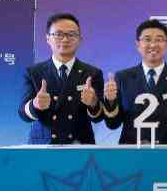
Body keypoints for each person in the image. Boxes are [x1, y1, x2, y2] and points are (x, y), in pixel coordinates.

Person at [103, 19, 167, 144]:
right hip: (131, 150)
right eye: (147, 39)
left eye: (159, 40)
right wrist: (110, 101)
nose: (153, 45)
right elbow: (112, 124)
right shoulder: (122, 77)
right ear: (138, 44)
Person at [18, 13, 104, 144]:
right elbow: (23, 114)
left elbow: (99, 117)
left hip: (79, 145)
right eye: (58, 34)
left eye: (71, 34)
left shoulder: (92, 73)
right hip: (43, 146)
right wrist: (35, 105)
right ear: (48, 38)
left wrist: (93, 103)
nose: (65, 39)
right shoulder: (33, 72)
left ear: (80, 39)